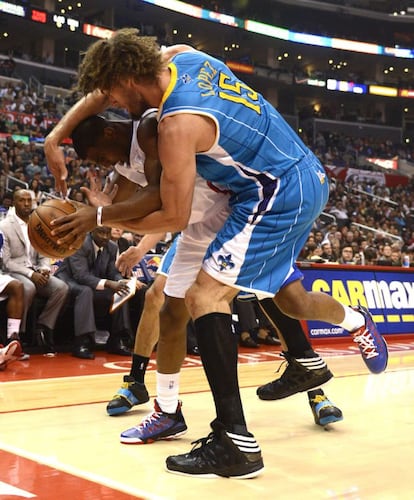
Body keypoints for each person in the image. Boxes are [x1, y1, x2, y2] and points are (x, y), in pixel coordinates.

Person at [44, 30, 388, 478]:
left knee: (207, 297)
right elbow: (97, 96)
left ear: (128, 77)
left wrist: (99, 217)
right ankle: (349, 328)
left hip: (275, 191)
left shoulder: (173, 125)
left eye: (111, 90)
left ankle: (236, 441)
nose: (106, 100)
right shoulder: (182, 58)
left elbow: (173, 214)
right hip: (278, 180)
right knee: (281, 300)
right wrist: (56, 136)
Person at [68, 114, 343, 432]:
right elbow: (156, 208)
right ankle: (147, 391)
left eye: (102, 157)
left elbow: (161, 207)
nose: (104, 164)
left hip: (234, 215)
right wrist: (119, 226)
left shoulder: (151, 128)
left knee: (276, 297)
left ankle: (315, 390)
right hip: (193, 225)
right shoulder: (121, 165)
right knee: (164, 302)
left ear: (109, 132)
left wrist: (107, 217)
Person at [0, 189, 68, 356]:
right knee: (28, 287)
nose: (26, 204)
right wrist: (31, 274)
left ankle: (43, 328)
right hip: (14, 270)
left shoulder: (38, 224)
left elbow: (44, 252)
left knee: (61, 288)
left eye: (29, 200)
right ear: (14, 203)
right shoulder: (4, 226)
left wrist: (44, 268)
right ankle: (18, 336)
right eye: (22, 200)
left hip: (36, 269)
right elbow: (6, 262)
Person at [55, 226, 133, 359]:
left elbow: (112, 272)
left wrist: (120, 282)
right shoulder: (79, 244)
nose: (104, 237)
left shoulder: (112, 247)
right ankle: (82, 342)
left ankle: (117, 340)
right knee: (85, 291)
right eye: (101, 232)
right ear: (92, 231)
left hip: (94, 281)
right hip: (69, 279)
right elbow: (80, 276)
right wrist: (108, 283)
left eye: (107, 233)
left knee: (122, 291)